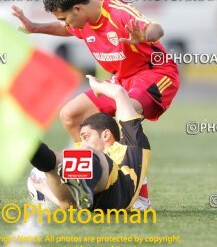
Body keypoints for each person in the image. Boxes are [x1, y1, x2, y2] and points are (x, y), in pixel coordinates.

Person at [12, 0, 179, 209]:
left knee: (125, 111)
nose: (65, 24)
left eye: (64, 17)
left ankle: (139, 194)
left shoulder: (116, 13)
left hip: (154, 73)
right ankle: (86, 176)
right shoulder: (82, 20)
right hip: (121, 78)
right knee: (70, 115)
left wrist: (146, 36)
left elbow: (155, 28)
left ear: (78, 9)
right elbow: (67, 29)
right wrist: (35, 27)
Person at [29, 75, 151, 210]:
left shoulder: (130, 143)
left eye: (86, 136)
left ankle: (81, 181)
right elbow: (66, 204)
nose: (82, 142)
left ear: (106, 135)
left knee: (89, 154)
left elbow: (119, 93)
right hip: (94, 203)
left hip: (118, 191)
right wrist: (44, 189)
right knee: (53, 163)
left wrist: (97, 86)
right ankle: (27, 143)